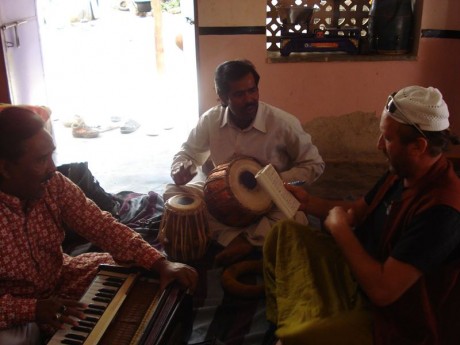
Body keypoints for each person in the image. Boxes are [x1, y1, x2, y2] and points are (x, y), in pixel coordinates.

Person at [263, 85, 460, 345]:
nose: (379, 145)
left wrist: (340, 230)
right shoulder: (402, 171)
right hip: (357, 273)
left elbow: (383, 291)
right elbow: (357, 211)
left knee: (299, 335)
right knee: (283, 234)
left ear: (418, 146)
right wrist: (309, 203)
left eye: (387, 139)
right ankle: (297, 317)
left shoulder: (442, 211)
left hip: (390, 320)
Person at [0, 106, 198, 345]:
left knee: (141, 272)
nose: (53, 168)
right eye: (41, 160)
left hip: (61, 278)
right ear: (5, 168)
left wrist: (160, 263)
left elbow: (101, 225)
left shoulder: (54, 184)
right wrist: (31, 310)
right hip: (14, 308)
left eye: (51, 155)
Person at [164, 59, 325, 265]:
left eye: (252, 90)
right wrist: (180, 169)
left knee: (296, 218)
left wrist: (275, 181)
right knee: (173, 194)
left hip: (268, 201)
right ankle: (245, 239)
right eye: (239, 94)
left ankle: (234, 238)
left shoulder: (282, 123)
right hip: (220, 199)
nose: (249, 99)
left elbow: (314, 164)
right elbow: (188, 153)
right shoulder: (211, 120)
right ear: (222, 97)